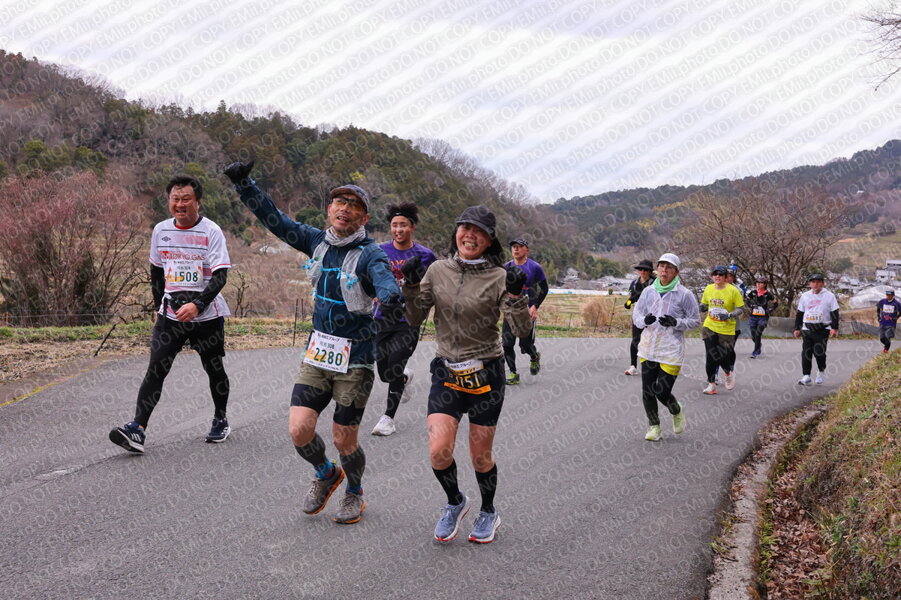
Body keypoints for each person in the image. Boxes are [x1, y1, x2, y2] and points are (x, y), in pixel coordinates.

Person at [224, 160, 402, 525]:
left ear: (364, 218)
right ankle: (326, 473)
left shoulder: (371, 254)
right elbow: (275, 220)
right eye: (340, 202)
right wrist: (244, 184)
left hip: (356, 359)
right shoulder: (316, 241)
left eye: (353, 205)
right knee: (299, 429)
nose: (345, 209)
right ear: (329, 209)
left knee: (344, 439)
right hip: (318, 354)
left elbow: (384, 278)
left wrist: (390, 294)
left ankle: (354, 490)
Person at [403, 205, 531, 544]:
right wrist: (411, 286)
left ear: (489, 241)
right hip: (447, 371)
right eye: (465, 228)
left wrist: (516, 296)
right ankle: (455, 501)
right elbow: (414, 318)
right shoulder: (437, 270)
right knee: (438, 450)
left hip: (486, 374)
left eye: (480, 231)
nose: (470, 235)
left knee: (480, 455)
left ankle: (488, 510)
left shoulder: (500, 276)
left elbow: (521, 330)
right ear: (456, 232)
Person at [109, 175, 232, 453]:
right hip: (171, 315)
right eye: (175, 199)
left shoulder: (211, 231)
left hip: (206, 316)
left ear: (198, 202)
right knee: (156, 369)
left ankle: (220, 419)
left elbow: (221, 276)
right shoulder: (161, 230)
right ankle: (137, 429)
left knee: (214, 368)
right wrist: (158, 307)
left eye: (186, 199)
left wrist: (198, 304)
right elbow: (156, 272)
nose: (180, 204)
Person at [370, 202, 437, 436]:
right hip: (381, 317)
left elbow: (436, 285)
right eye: (394, 225)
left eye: (403, 225)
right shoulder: (379, 251)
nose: (398, 229)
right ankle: (404, 377)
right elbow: (368, 278)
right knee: (385, 372)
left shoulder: (425, 255)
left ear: (413, 227)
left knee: (396, 363)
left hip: (409, 320)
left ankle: (388, 418)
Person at [632, 253, 699, 442]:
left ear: (676, 272)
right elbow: (637, 315)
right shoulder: (648, 292)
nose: (664, 270)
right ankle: (654, 427)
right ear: (657, 269)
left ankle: (676, 409)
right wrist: (644, 320)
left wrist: (676, 322)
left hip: (671, 350)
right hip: (649, 348)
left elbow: (695, 320)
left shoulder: (684, 294)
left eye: (669, 267)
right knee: (647, 391)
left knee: (661, 391)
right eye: (661, 266)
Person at [502, 236, 548, 384]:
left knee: (525, 346)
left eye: (519, 246)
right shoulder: (506, 268)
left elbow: (544, 288)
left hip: (527, 311)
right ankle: (513, 374)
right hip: (510, 311)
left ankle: (534, 357)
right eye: (513, 246)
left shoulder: (535, 267)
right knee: (507, 344)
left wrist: (535, 305)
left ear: (526, 250)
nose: (516, 249)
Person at [699, 265, 745, 394]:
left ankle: (728, 372)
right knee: (710, 356)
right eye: (715, 274)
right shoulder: (708, 288)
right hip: (709, 326)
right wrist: (702, 307)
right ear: (712, 276)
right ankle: (711, 384)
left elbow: (741, 308)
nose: (717, 276)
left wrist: (730, 315)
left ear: (725, 277)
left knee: (722, 356)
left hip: (726, 329)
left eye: (720, 274)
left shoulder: (733, 290)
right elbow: (705, 303)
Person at [793, 273, 839, 385]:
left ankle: (821, 371)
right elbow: (800, 313)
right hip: (807, 328)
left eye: (818, 282)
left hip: (822, 329)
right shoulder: (805, 296)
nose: (816, 284)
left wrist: (834, 328)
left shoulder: (829, 296)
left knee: (819, 353)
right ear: (810, 284)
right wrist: (797, 328)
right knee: (806, 353)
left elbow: (834, 312)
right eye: (813, 282)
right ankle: (806, 376)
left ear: (823, 284)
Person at [624, 259, 656, 375]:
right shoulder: (634, 283)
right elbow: (633, 297)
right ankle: (633, 366)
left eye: (645, 270)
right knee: (635, 340)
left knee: (651, 340)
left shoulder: (655, 283)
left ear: (650, 271)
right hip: (638, 315)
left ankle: (653, 366)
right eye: (640, 269)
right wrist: (628, 303)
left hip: (652, 315)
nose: (642, 271)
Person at [745, 276, 779, 358]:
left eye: (761, 283)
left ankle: (755, 352)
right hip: (753, 316)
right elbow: (747, 300)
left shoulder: (768, 294)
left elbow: (775, 303)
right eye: (757, 283)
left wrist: (770, 309)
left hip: (763, 317)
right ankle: (758, 345)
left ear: (765, 284)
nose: (758, 284)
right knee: (753, 335)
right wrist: (751, 305)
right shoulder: (753, 292)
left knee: (758, 334)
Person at [876, 289, 900, 353]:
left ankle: (886, 350)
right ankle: (886, 345)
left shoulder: (896, 303)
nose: (888, 296)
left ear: (893, 295)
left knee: (887, 336)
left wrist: (896, 318)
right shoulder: (882, 301)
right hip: (882, 323)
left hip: (891, 324)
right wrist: (879, 317)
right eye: (887, 295)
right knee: (881, 338)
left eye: (890, 295)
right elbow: (878, 308)